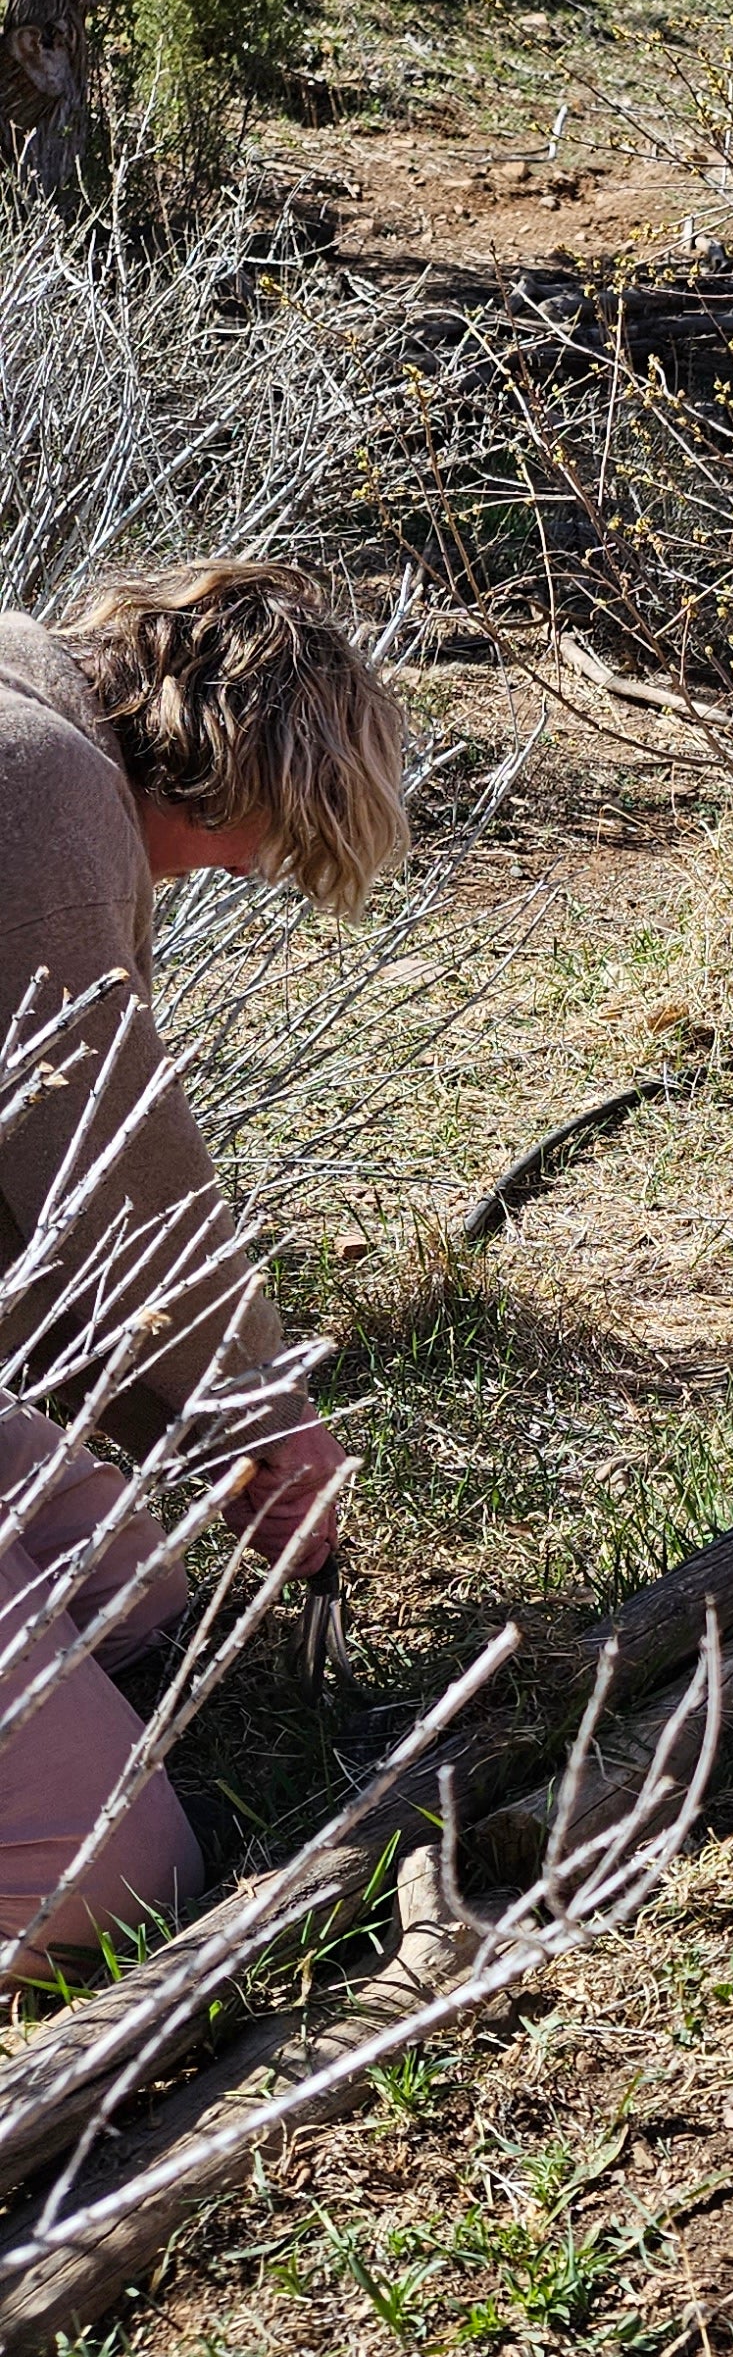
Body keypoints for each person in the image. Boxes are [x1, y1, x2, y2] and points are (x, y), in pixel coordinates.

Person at [0, 556, 409, 1983]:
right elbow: (108, 1158)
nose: (240, 872)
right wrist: (258, 1410)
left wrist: (194, 1426)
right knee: (116, 1886)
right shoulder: (36, 786)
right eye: (259, 841)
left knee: (147, 1609)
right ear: (223, 773)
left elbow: (34, 1220)